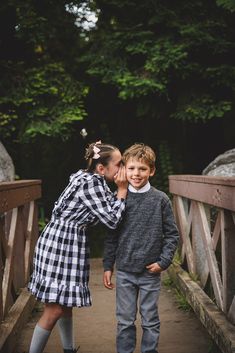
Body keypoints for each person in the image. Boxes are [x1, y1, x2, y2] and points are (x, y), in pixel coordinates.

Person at [28, 141, 128, 353]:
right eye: (119, 164)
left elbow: (108, 207)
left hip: (65, 241)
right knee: (54, 309)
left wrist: (120, 194)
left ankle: (69, 348)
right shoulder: (90, 183)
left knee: (64, 303)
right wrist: (122, 190)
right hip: (60, 246)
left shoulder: (93, 181)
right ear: (101, 168)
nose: (123, 168)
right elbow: (112, 219)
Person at [103, 143, 179, 353]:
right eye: (132, 168)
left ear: (152, 171)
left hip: (150, 272)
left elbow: (172, 234)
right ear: (124, 170)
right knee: (125, 321)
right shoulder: (118, 198)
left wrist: (163, 262)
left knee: (150, 320)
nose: (136, 174)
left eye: (142, 169)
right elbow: (111, 235)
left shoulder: (160, 199)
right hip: (125, 271)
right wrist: (108, 265)